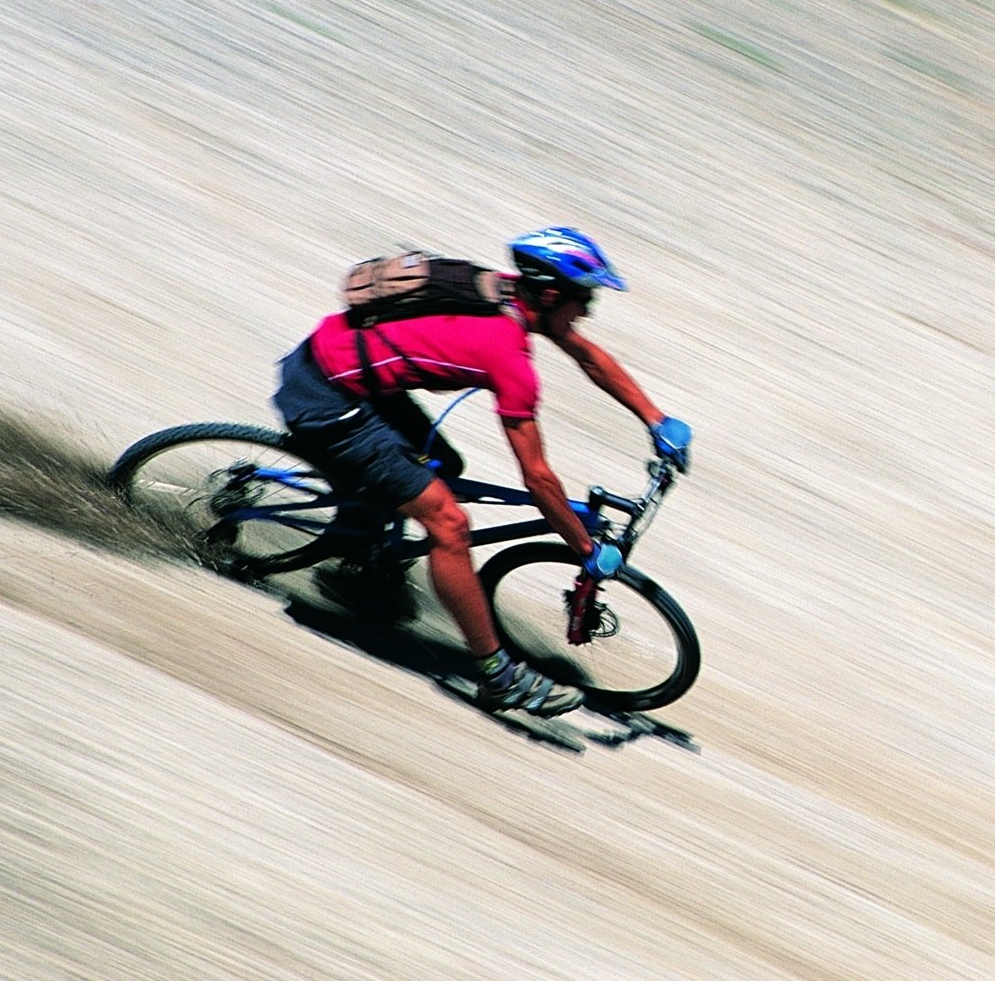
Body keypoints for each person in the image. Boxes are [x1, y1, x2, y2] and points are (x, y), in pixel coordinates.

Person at [272, 227, 693, 717]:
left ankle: (364, 550)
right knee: (448, 524)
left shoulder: (501, 291)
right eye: (586, 299)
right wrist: (583, 546)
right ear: (553, 294)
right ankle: (497, 675)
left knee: (445, 468)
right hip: (328, 401)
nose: (589, 311)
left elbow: (589, 358)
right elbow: (537, 478)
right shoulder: (506, 355)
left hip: (337, 366)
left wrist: (656, 419)